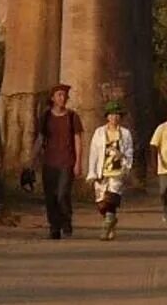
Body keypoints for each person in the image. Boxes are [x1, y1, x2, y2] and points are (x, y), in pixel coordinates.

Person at [31, 84, 82, 240]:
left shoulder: (73, 116)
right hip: (50, 162)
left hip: (67, 161)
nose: (63, 98)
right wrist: (31, 159)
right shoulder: (45, 117)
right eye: (59, 95)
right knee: (50, 196)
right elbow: (40, 138)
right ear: (52, 98)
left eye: (65, 95)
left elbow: (78, 139)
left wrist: (78, 162)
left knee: (62, 194)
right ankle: (54, 226)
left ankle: (66, 222)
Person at [86, 104, 135, 239]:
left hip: (117, 171)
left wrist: (124, 160)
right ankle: (110, 220)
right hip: (102, 171)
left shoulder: (125, 134)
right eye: (112, 114)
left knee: (111, 198)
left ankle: (106, 227)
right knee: (101, 203)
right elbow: (94, 153)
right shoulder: (99, 132)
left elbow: (130, 151)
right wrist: (92, 172)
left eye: (117, 115)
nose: (114, 117)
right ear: (107, 117)